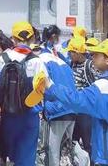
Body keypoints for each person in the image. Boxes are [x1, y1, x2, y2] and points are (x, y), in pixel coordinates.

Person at [44, 39, 108, 165]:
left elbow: (75, 100)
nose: (92, 57)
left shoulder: (102, 87)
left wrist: (51, 86)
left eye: (96, 55)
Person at [0, 21, 48, 166]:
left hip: (7, 115)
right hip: (30, 116)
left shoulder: (3, 58)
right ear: (32, 39)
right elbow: (44, 88)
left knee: (8, 156)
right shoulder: (36, 61)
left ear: (13, 39)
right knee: (27, 158)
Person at [39, 35, 77, 166]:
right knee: (67, 149)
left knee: (52, 151)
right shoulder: (61, 62)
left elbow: (43, 86)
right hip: (72, 109)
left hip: (56, 111)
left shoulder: (40, 61)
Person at [67, 36, 96, 157]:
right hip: (75, 110)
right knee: (73, 141)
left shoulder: (89, 65)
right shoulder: (72, 64)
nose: (69, 55)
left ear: (78, 53)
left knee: (88, 142)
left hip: (86, 111)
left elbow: (96, 86)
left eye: (71, 52)